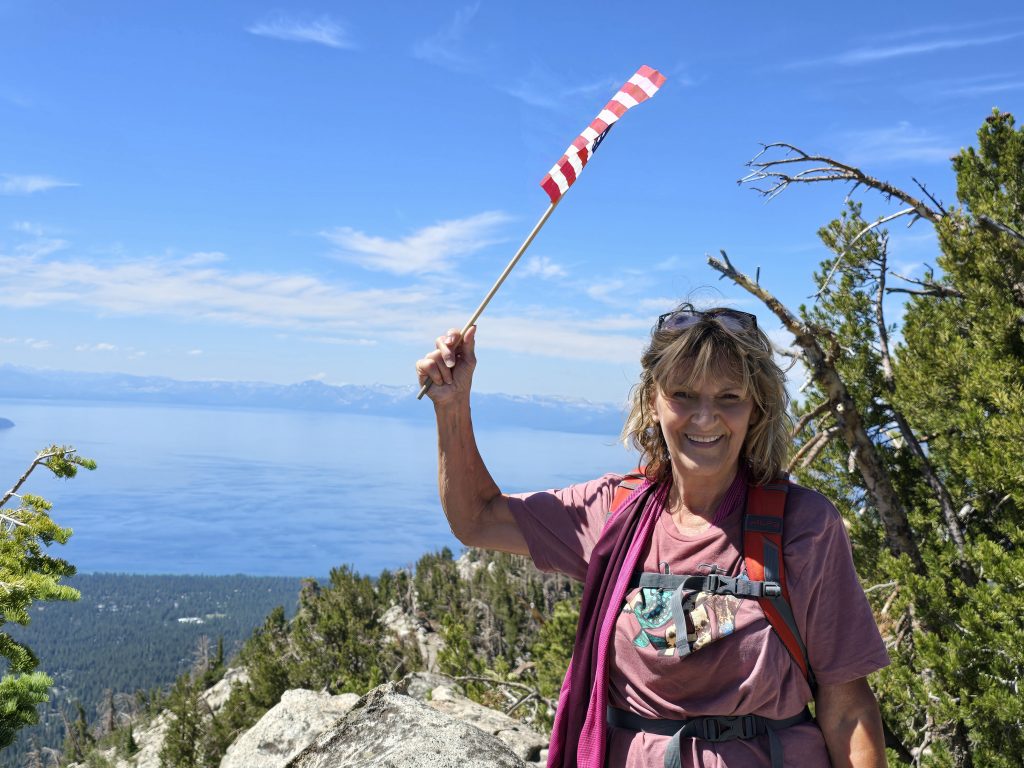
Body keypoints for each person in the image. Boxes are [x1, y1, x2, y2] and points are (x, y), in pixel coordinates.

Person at [415, 305, 889, 768]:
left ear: (756, 409)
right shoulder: (614, 513)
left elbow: (847, 708)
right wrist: (452, 404)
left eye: (729, 397)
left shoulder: (803, 525)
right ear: (652, 402)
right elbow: (477, 518)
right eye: (683, 394)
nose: (705, 418)